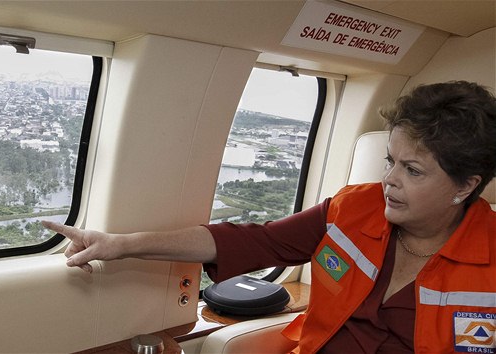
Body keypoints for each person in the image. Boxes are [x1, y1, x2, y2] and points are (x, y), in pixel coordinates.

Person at [42, 80, 496, 353]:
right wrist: (120, 244)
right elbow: (253, 241)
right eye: (390, 161)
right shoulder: (354, 209)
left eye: (412, 170)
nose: (389, 181)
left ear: (465, 186)